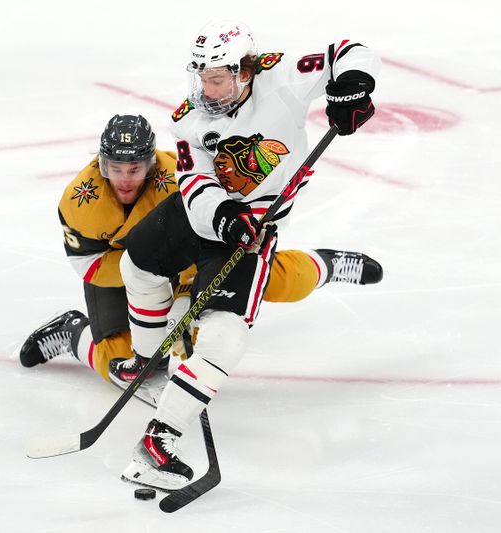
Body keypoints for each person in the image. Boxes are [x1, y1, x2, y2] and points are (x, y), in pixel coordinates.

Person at [117, 20, 382, 489]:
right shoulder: (189, 117)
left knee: (224, 338)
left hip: (257, 227)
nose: (207, 88)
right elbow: (195, 182)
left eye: (217, 77)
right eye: (201, 77)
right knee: (136, 263)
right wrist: (222, 217)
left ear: (244, 71)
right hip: (207, 214)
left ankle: (158, 442)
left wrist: (354, 89)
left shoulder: (280, 79)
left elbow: (346, 49)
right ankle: (148, 360)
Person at [18, 114, 381, 406]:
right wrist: (156, 285)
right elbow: (89, 264)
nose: (125, 179)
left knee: (276, 280)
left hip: (187, 258)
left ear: (151, 163)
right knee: (119, 364)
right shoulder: (80, 201)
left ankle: (328, 264)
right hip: (116, 273)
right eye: (115, 168)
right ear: (101, 164)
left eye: (135, 169)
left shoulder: (177, 177)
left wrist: (185, 292)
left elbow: (208, 235)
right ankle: (72, 333)